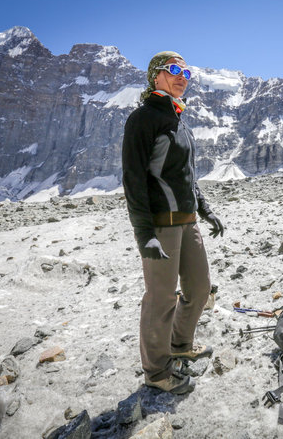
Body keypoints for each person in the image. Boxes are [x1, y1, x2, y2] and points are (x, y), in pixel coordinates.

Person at [122, 51, 224, 395]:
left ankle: (180, 345)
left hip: (187, 220)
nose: (183, 77)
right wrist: (144, 234)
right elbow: (133, 179)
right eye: (175, 70)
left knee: (198, 288)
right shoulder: (143, 118)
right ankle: (157, 371)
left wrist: (205, 208)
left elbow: (186, 176)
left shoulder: (180, 120)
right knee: (161, 298)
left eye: (187, 72)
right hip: (161, 225)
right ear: (156, 76)